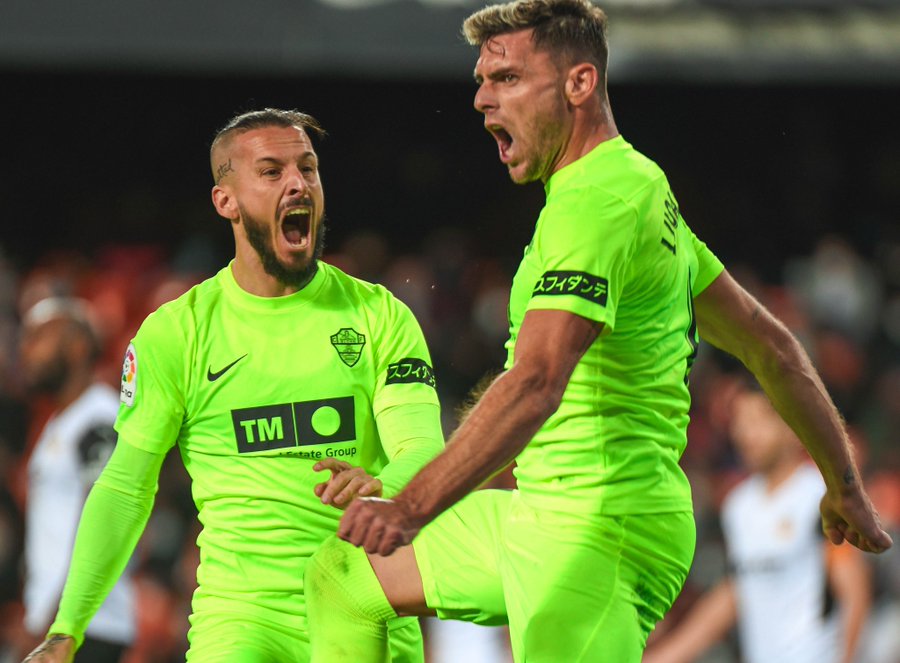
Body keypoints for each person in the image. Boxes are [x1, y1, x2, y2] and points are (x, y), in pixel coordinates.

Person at [302, 1, 893, 661]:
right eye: (480, 79)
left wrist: (410, 507)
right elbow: (771, 346)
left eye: (506, 78)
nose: (480, 98)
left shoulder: (601, 204)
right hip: (546, 512)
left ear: (579, 83)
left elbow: (536, 382)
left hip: (599, 528)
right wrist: (843, 486)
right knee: (347, 573)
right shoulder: (630, 195)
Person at [21, 108, 444, 663]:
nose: (299, 183)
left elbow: (423, 450)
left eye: (309, 169)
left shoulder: (379, 316)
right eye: (272, 171)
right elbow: (125, 488)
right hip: (241, 622)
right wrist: (67, 628)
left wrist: (384, 485)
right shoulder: (180, 332)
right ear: (226, 201)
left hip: (369, 607)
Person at [643, 386, 872, 663]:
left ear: (792, 427)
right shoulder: (738, 507)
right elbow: (736, 591)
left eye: (758, 421)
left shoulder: (821, 497)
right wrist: (666, 656)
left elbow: (854, 591)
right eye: (740, 421)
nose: (745, 434)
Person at [18, 297, 137, 663]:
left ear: (77, 344)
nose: (27, 350)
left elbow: (99, 520)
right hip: (62, 622)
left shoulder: (98, 419)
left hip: (86, 624)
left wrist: (54, 623)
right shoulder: (62, 422)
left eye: (41, 336)